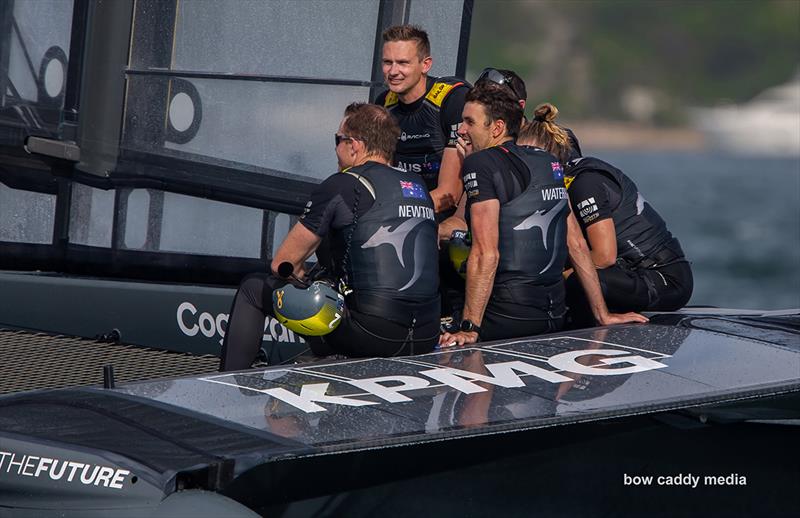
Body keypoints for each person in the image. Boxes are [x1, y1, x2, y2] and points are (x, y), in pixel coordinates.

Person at [220, 103, 440, 371]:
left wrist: (304, 276)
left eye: (338, 140)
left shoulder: (342, 184)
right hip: (427, 335)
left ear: (354, 145)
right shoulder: (418, 186)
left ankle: (230, 380)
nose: (336, 149)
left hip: (372, 336)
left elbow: (282, 263)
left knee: (253, 289)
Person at [439, 84, 646, 346]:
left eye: (469, 122)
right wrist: (602, 315)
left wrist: (469, 328)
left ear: (497, 128)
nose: (462, 130)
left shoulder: (480, 164)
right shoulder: (548, 162)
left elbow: (485, 253)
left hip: (504, 320)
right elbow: (576, 244)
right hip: (553, 317)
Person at [519, 102, 693, 326]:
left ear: (551, 159)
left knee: (572, 282)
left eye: (527, 159)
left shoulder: (584, 182)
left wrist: (552, 279)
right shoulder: (557, 181)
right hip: (628, 274)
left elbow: (604, 256)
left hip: (666, 280)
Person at [376, 24, 470, 216]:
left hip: (446, 217)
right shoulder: (384, 103)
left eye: (403, 63)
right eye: (387, 62)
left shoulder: (452, 99)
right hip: (399, 207)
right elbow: (377, 172)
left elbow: (449, 193)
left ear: (425, 64)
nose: (393, 71)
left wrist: (393, 212)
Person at [474, 67, 583, 160]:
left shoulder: (555, 138)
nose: (485, 109)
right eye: (481, 101)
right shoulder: (470, 136)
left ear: (520, 106)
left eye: (496, 102)